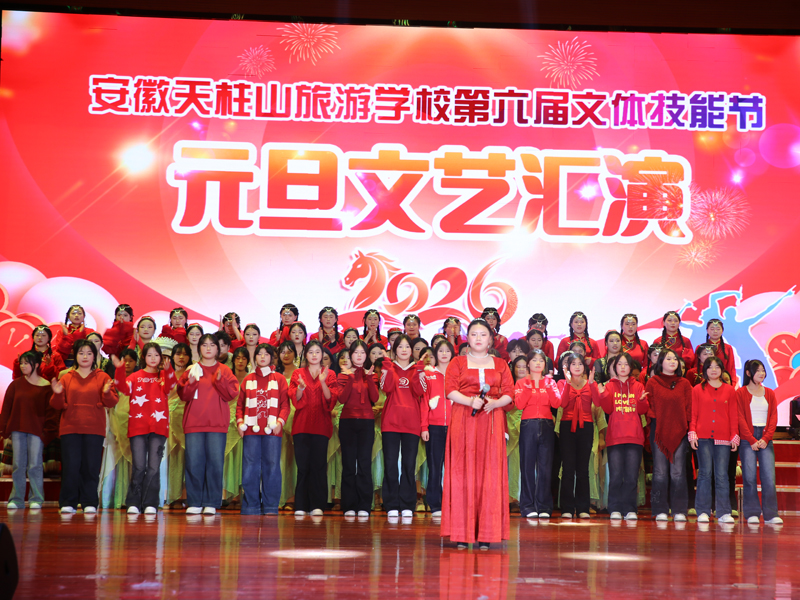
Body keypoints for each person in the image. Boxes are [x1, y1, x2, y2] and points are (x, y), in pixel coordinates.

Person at [442, 319, 515, 550]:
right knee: (462, 472)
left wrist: (495, 403)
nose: (478, 338)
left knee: (490, 473)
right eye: (474, 334)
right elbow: (450, 390)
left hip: (491, 420)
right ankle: (462, 533)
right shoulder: (457, 362)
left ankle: (486, 533)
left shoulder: (501, 364)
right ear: (467, 338)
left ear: (491, 339)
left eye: (483, 334)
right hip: (463, 419)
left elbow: (510, 392)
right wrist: (469, 401)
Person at [50, 339, 119, 513]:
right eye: (81, 353)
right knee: (70, 466)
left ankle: (89, 502)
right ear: (75, 356)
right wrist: (57, 394)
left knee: (91, 466)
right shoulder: (66, 377)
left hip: (94, 428)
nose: (85, 356)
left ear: (94, 356)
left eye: (89, 353)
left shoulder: (103, 377)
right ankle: (68, 502)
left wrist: (106, 393)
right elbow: (56, 405)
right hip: (70, 428)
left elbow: (112, 402)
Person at [177, 333, 240, 516]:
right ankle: (195, 502)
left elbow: (231, 394)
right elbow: (183, 395)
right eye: (204, 345)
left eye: (212, 345)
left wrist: (220, 381)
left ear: (218, 349)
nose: (208, 348)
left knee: (215, 463)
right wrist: (190, 383)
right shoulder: (192, 369)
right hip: (194, 423)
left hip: (216, 424)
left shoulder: (225, 370)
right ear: (199, 349)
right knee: (194, 462)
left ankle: (211, 502)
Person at [113, 342, 176, 515]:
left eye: (156, 355)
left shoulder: (163, 377)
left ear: (161, 358)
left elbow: (170, 386)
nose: (153, 358)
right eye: (149, 355)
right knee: (139, 466)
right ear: (144, 357)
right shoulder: (135, 377)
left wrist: (169, 370)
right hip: (138, 427)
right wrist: (119, 369)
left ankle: (150, 503)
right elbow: (122, 388)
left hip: (159, 427)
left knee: (154, 467)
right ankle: (133, 502)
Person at [235, 343, 290, 516]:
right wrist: (239, 422)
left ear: (272, 358)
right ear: (255, 357)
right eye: (260, 354)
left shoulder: (279, 379)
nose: (263, 357)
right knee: (250, 467)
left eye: (267, 354)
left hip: (272, 430)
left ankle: (271, 506)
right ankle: (251, 505)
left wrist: (280, 422)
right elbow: (239, 405)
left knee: (272, 466)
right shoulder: (248, 379)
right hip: (251, 430)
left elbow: (285, 405)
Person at [288, 340, 339, 516]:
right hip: (301, 426)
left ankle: (317, 505)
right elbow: (295, 399)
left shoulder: (330, 374)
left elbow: (331, 399)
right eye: (311, 352)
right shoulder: (298, 373)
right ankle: (301, 505)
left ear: (322, 355)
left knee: (318, 466)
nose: (315, 355)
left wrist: (323, 382)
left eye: (318, 352)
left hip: (321, 426)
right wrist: (301, 388)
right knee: (303, 467)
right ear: (306, 355)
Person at [594, 353, 648, 520]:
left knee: (631, 476)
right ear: (614, 367)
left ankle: (630, 509)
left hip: (634, 437)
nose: (623, 367)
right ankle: (615, 508)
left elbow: (643, 410)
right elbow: (608, 409)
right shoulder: (609, 386)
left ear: (631, 367)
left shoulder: (638, 386)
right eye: (620, 364)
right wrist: (603, 394)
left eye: (626, 364)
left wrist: (641, 401)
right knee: (616, 476)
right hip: (615, 437)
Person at [1, 351, 56, 509]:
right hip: (17, 429)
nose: (23, 366)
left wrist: (47, 432)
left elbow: (51, 412)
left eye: (26, 363)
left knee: (35, 464)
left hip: (37, 431)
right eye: (22, 363)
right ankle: (16, 499)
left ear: (36, 365)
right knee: (18, 464)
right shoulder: (15, 384)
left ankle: (36, 499)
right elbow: (6, 408)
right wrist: (3, 430)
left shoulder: (46, 386)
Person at [378, 334, 424, 519]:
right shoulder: (388, 367)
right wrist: (388, 366)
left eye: (407, 347)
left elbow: (419, 391)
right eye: (400, 347)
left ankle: (407, 504)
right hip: (390, 423)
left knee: (408, 465)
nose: (404, 350)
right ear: (394, 350)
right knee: (390, 464)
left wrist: (419, 370)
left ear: (411, 350)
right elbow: (386, 388)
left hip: (411, 423)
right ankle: (391, 504)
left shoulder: (417, 368)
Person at [689, 357, 739, 523]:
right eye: (710, 367)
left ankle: (723, 512)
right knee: (704, 473)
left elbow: (733, 414)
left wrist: (734, 435)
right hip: (703, 436)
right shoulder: (697, 389)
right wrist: (692, 432)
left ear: (722, 370)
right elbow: (693, 413)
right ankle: (703, 511)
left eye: (717, 367)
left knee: (722, 475)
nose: (714, 370)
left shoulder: (730, 390)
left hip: (723, 437)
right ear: (705, 370)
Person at [646, 349, 693, 522]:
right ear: (660, 362)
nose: (673, 361)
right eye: (668, 358)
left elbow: (689, 408)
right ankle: (659, 509)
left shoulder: (684, 383)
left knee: (678, 472)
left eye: (675, 359)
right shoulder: (652, 382)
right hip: (659, 431)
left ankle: (679, 510)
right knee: (659, 472)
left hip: (679, 431)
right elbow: (648, 407)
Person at [514, 349, 560, 519]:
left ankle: (544, 506)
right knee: (527, 466)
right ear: (528, 363)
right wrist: (528, 388)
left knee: (545, 467)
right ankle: (527, 506)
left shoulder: (550, 382)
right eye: (534, 360)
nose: (538, 363)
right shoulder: (521, 383)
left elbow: (557, 403)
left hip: (547, 424)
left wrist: (549, 387)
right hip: (528, 424)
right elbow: (519, 405)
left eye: (541, 360)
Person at [737, 360, 782, 525]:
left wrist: (766, 438)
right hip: (747, 439)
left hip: (765, 438)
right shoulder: (741, 393)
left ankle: (771, 514)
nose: (761, 373)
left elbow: (773, 417)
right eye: (757, 370)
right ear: (748, 373)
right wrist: (751, 439)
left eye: (763, 370)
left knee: (769, 477)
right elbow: (740, 417)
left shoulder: (769, 393)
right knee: (749, 477)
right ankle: (752, 513)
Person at [337, 340, 378, 517]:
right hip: (347, 421)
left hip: (367, 422)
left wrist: (368, 377)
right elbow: (341, 399)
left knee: (364, 463)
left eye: (362, 352)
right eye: (356, 352)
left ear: (366, 355)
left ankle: (364, 505)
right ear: (350, 355)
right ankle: (348, 505)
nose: (359, 356)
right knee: (348, 464)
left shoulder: (371, 375)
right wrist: (351, 378)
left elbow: (375, 398)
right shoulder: (343, 375)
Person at [558, 353, 600, 519]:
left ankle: (583, 507)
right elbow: (562, 404)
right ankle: (567, 508)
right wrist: (568, 384)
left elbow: (598, 403)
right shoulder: (562, 383)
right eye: (573, 364)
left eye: (580, 364)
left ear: (584, 367)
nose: (577, 366)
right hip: (567, 426)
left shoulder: (590, 383)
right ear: (568, 367)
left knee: (583, 469)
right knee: (568, 468)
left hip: (586, 426)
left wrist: (592, 384)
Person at [166, 343, 191, 508]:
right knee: (173, 457)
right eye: (178, 354)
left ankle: (187, 495)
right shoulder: (166, 375)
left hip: (187, 420)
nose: (181, 357)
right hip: (169, 421)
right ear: (172, 356)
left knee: (189, 458)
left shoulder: (192, 374)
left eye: (185, 354)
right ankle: (173, 496)